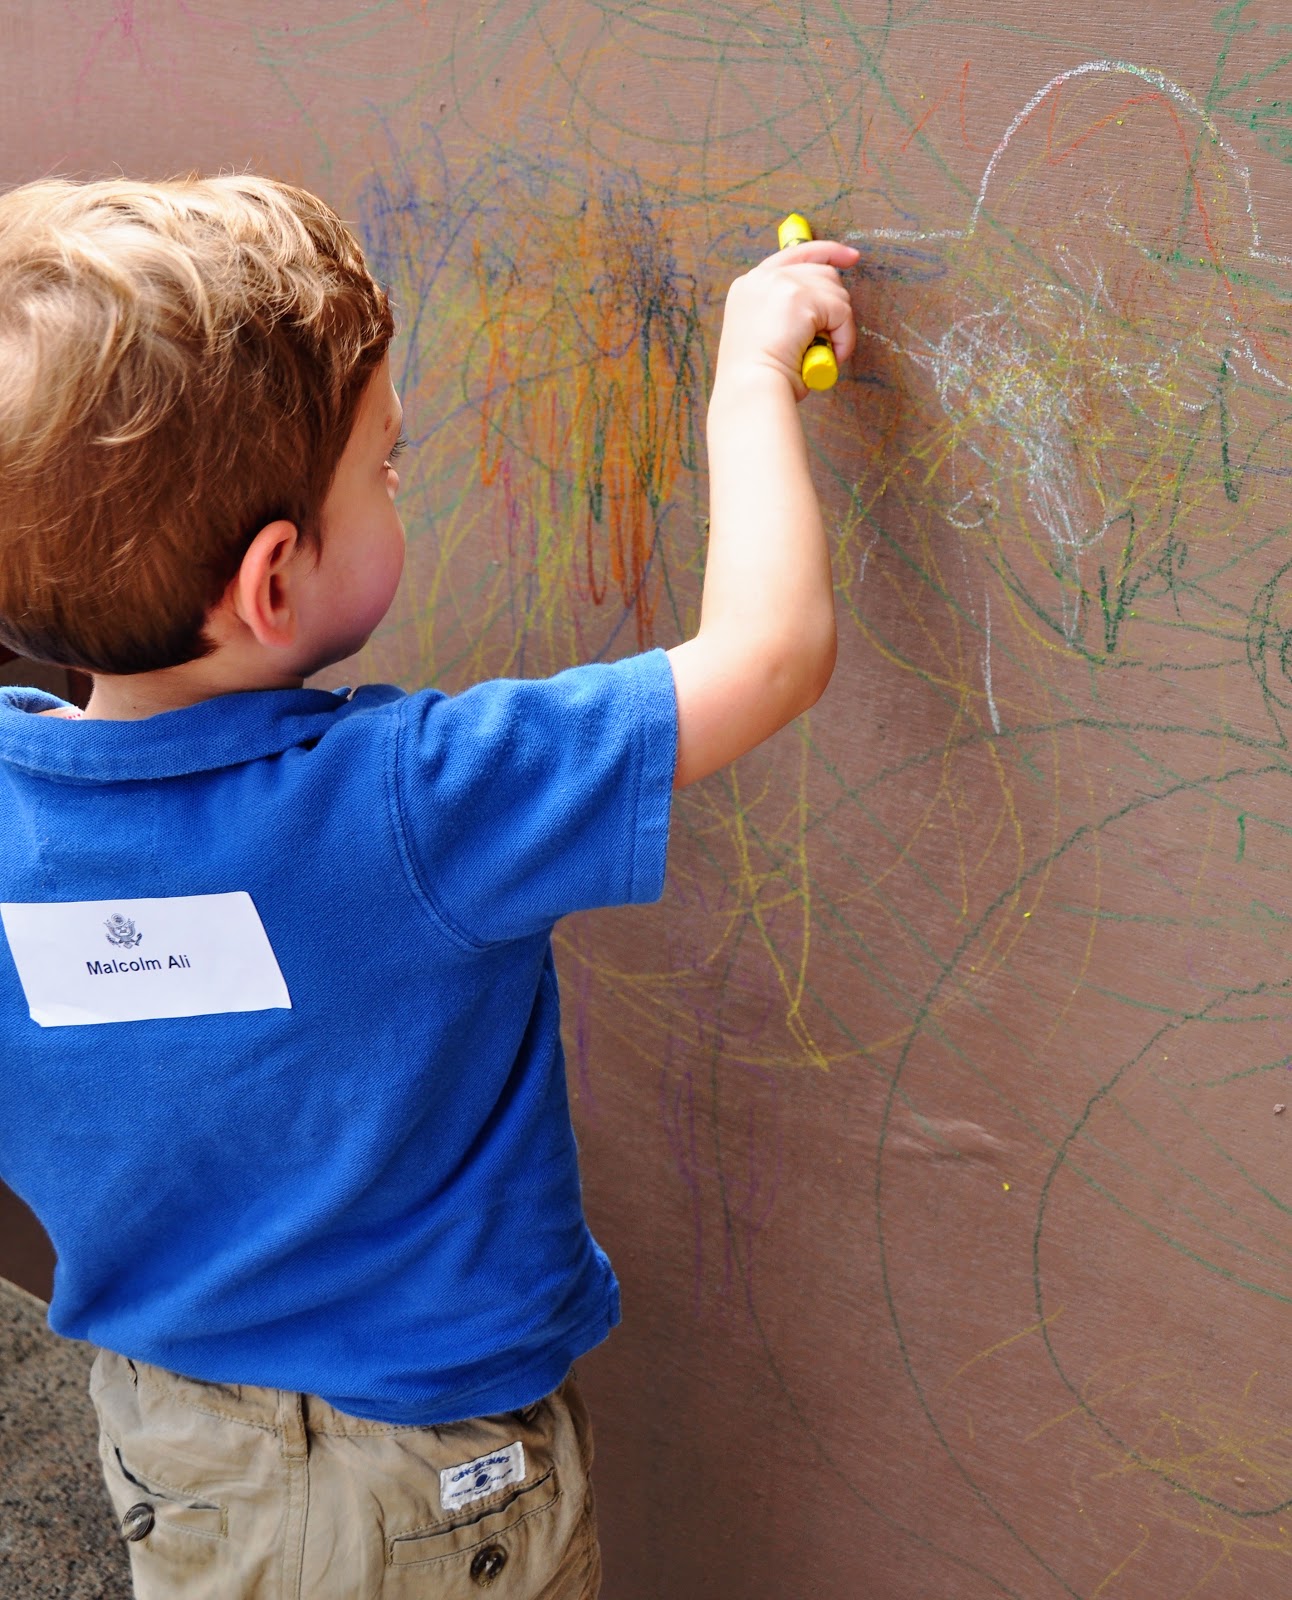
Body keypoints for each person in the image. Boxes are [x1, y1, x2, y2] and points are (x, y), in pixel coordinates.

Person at [0, 173, 857, 1598]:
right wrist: (753, 375)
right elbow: (771, 656)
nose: (401, 477)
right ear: (274, 581)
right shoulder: (412, 801)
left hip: (176, 1447)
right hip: (424, 1490)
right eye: (386, 464)